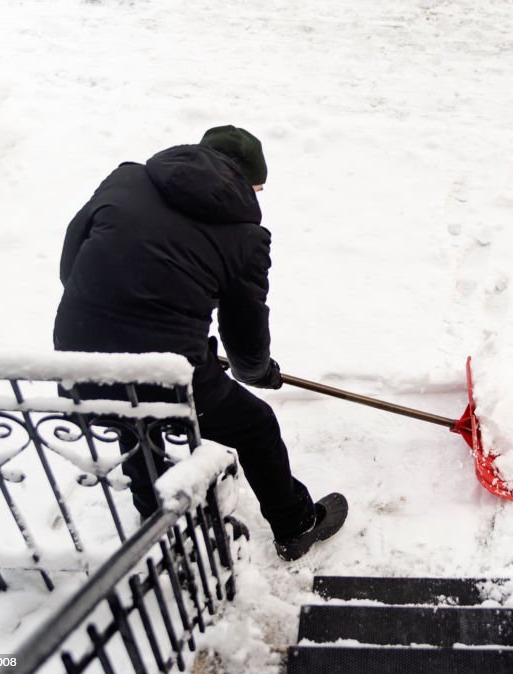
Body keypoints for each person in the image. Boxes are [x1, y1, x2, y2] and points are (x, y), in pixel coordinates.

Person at [53, 125, 346, 561]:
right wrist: (258, 372)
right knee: (256, 426)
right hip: (168, 373)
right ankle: (295, 525)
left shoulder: (126, 178)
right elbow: (245, 338)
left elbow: (70, 264)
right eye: (258, 188)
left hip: (78, 351)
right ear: (246, 182)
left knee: (134, 419)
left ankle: (155, 522)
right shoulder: (246, 238)